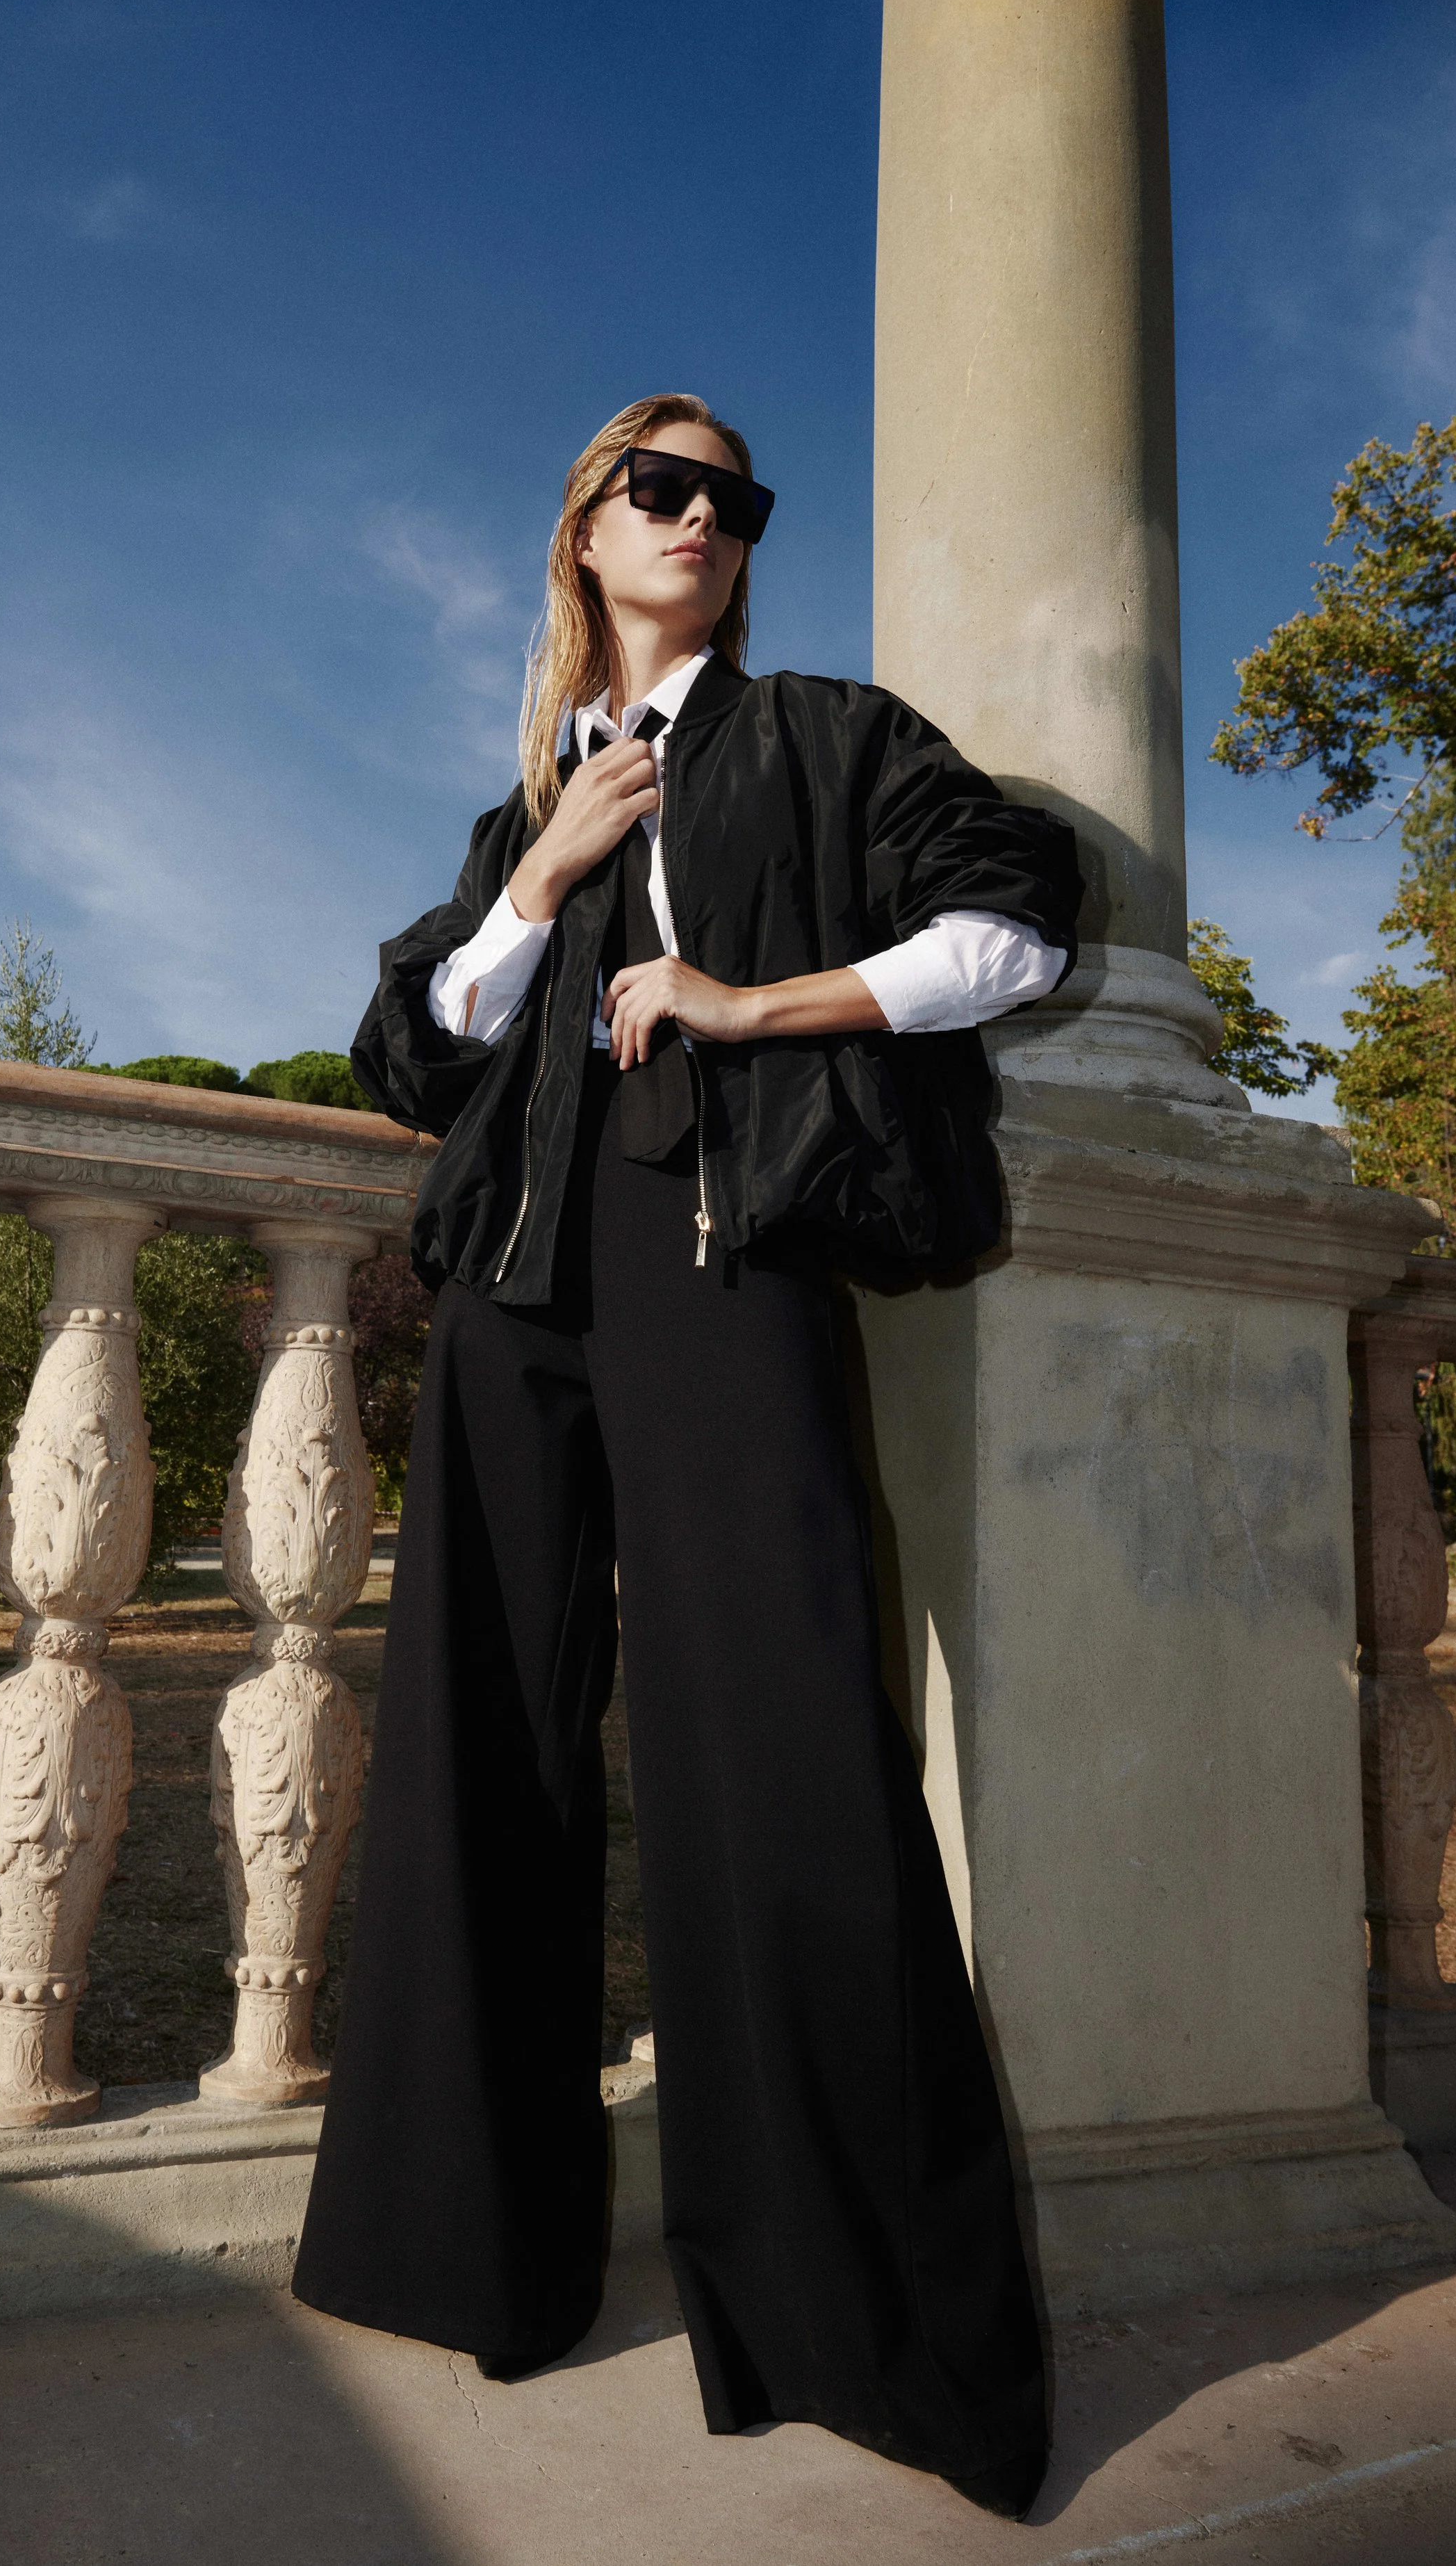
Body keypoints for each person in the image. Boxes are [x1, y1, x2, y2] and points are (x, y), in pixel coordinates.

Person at [293, 392, 1081, 2525]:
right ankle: (478, 2251)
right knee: (483, 1756)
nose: (704, 520)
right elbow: (411, 1053)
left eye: (732, 500)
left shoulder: (824, 738)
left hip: (722, 1270)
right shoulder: (520, 804)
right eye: (664, 487)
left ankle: (860, 2324)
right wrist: (541, 880)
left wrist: (759, 1001)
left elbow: (1022, 920)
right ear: (581, 529)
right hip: (514, 1301)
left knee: (791, 1761)